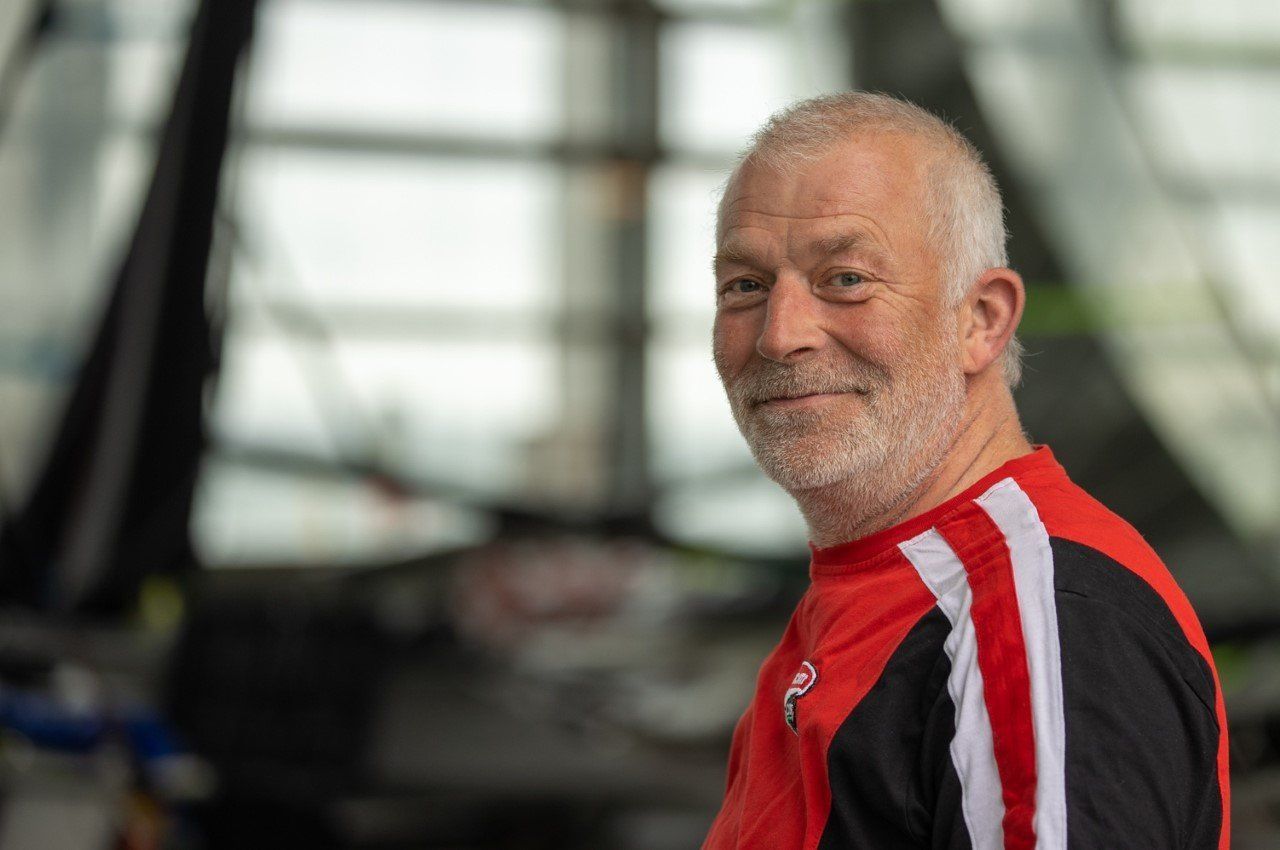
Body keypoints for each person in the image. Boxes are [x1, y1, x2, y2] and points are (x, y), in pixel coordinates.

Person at [701, 92, 1229, 849]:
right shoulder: (877, 585)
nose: (779, 336)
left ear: (981, 320)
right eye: (745, 287)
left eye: (846, 279)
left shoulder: (1035, 620)